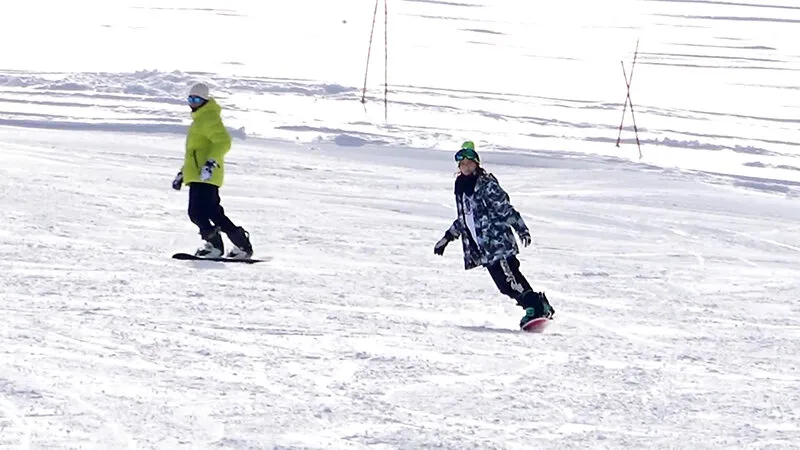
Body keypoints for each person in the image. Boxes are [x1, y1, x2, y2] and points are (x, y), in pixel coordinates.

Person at [433, 141, 554, 329]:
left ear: (477, 164)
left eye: (469, 163)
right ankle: (535, 305)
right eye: (462, 164)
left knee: (510, 279)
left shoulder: (486, 184)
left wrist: (520, 227)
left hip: (498, 243)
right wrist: (447, 237)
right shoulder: (461, 188)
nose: (466, 167)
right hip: (484, 249)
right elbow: (465, 219)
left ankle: (537, 307)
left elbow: (505, 208)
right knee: (504, 285)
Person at [171, 82, 253, 259]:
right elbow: (194, 153)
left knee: (197, 213)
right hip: (197, 175)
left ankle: (215, 246)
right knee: (213, 213)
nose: (192, 102)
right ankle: (241, 245)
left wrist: (210, 163)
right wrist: (182, 173)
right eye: (190, 99)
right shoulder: (200, 119)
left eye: (196, 99)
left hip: (206, 175)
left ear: (205, 100)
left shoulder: (209, 118)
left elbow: (224, 142)